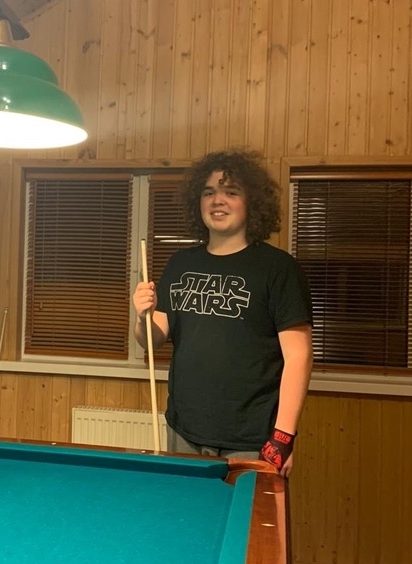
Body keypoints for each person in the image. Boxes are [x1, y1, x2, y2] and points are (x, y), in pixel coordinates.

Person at [132, 149, 313, 476]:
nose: (218, 200)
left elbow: (298, 357)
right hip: (183, 430)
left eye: (231, 192)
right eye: (208, 193)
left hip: (252, 439)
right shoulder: (181, 263)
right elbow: (152, 339)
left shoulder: (278, 269)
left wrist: (283, 436)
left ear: (252, 202)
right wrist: (141, 315)